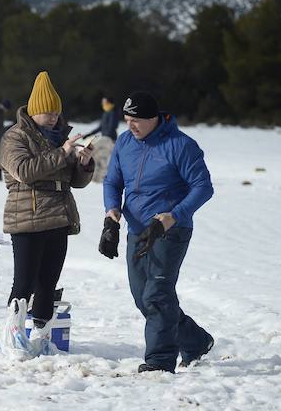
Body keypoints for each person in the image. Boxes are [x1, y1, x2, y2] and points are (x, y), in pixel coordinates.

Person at [100, 91, 215, 373]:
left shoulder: (181, 145)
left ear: (154, 118)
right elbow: (112, 181)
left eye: (136, 120)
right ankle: (196, 340)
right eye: (126, 119)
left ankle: (160, 362)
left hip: (170, 231)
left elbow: (203, 187)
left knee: (158, 295)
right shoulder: (125, 142)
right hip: (136, 229)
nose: (130, 126)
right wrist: (112, 213)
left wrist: (172, 217)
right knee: (143, 297)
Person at [0, 71, 95, 358]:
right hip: (26, 216)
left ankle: (41, 337)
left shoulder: (61, 138)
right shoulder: (14, 137)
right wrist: (63, 153)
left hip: (59, 216)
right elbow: (25, 172)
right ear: (33, 110)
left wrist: (84, 164)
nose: (53, 117)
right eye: (47, 112)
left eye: (57, 112)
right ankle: (13, 337)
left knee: (48, 282)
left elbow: (74, 181)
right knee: (24, 281)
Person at [84, 96, 121, 183]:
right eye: (103, 103)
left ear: (110, 103)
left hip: (110, 139)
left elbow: (112, 127)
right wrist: (88, 134)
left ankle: (109, 177)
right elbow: (100, 127)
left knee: (108, 159)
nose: (103, 104)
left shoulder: (113, 113)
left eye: (105, 102)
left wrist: (107, 136)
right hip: (104, 138)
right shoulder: (105, 113)